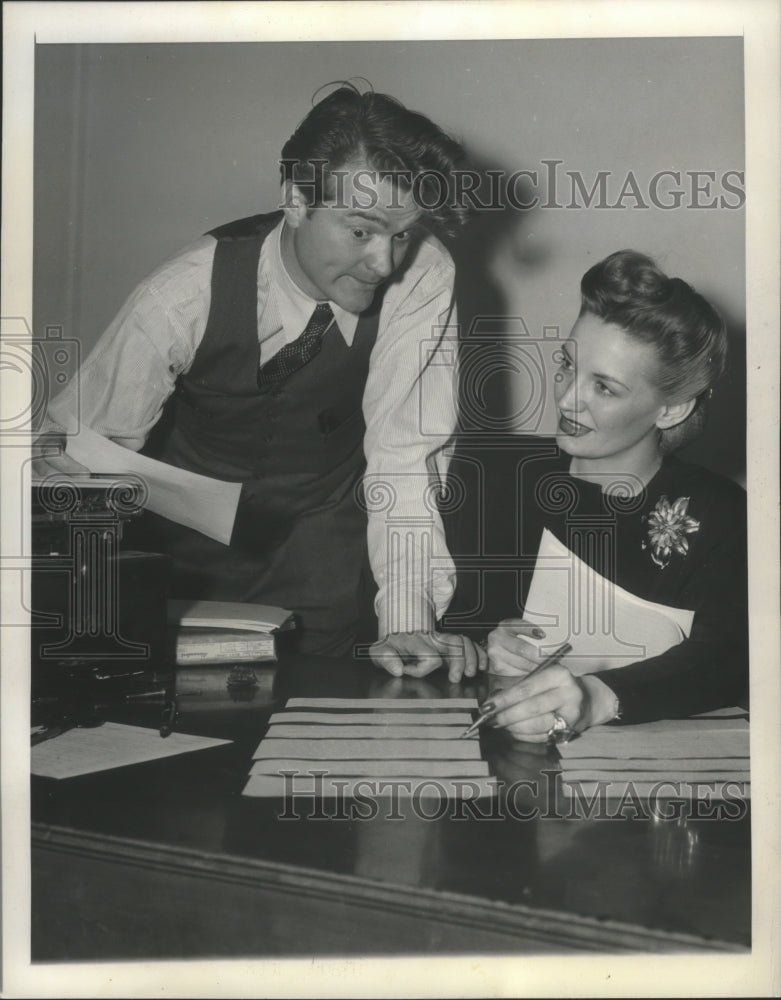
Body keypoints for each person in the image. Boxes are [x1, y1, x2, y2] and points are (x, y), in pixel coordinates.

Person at [37, 83, 487, 679]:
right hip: (179, 572)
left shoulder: (424, 277)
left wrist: (408, 618)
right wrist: (50, 466)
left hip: (322, 563)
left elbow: (405, 455)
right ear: (297, 198)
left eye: (402, 233)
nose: (384, 264)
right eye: (361, 231)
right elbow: (79, 446)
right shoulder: (180, 296)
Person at [483, 250, 747, 739]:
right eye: (567, 363)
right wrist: (489, 648)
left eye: (603, 387)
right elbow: (469, 629)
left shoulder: (720, 512)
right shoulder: (508, 478)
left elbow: (728, 659)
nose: (564, 398)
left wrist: (595, 699)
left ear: (670, 411)